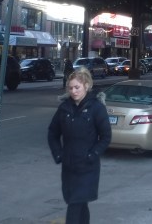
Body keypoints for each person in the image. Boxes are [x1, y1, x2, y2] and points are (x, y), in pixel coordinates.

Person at [48, 66, 111, 224]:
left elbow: (105, 137)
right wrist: (58, 154)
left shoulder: (96, 108)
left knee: (75, 205)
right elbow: (52, 133)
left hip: (87, 167)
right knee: (79, 203)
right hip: (69, 167)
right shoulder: (64, 108)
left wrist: (92, 154)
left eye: (77, 87)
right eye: (70, 88)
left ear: (86, 86)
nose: (73, 91)